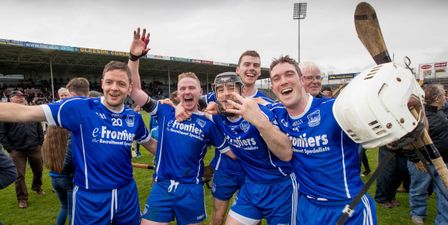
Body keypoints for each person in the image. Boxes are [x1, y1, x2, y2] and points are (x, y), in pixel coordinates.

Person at [0, 61, 153, 225]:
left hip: (127, 195)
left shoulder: (134, 118)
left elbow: (153, 145)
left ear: (129, 88)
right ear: (102, 84)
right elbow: (25, 113)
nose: (114, 88)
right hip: (91, 198)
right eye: (109, 82)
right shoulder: (80, 107)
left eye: (121, 83)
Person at [128, 28, 232, 225]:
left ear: (200, 91)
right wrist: (134, 58)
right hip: (162, 186)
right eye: (183, 88)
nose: (187, 91)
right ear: (177, 93)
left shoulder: (208, 122)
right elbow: (133, 91)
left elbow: (230, 151)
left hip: (191, 190)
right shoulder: (165, 111)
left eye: (192, 87)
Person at [267, 55, 377, 225]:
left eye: (289, 74)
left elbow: (377, 115)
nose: (283, 81)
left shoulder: (335, 109)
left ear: (300, 80)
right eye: (276, 78)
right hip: (307, 208)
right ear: (273, 88)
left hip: (348, 208)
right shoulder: (278, 113)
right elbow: (253, 102)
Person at [207, 72, 297, 225]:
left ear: (242, 91)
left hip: (281, 187)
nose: (226, 93)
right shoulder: (218, 116)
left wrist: (260, 121)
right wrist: (178, 106)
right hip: (251, 185)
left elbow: (287, 153)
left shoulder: (262, 111)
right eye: (220, 90)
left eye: (231, 88)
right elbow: (195, 105)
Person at [203, 50, 273, 225]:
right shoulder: (218, 95)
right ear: (238, 70)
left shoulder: (266, 103)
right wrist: (180, 104)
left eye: (256, 65)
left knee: (251, 218)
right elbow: (193, 99)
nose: (251, 69)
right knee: (218, 216)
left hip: (252, 173)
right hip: (225, 169)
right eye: (247, 64)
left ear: (259, 71)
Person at [406, 84, 448, 225]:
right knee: (419, 189)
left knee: (445, 192)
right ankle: (417, 213)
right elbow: (407, 141)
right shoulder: (418, 117)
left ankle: (443, 220)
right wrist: (416, 159)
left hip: (443, 162)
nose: (445, 97)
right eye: (444, 94)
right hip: (423, 162)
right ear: (437, 98)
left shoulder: (440, 111)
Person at [0, 90, 45, 209]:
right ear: (10, 99)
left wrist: (40, 142)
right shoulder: (6, 114)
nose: (20, 99)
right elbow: (2, 133)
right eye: (17, 97)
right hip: (17, 150)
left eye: (22, 97)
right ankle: (22, 199)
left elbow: (38, 127)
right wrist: (10, 148)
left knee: (39, 170)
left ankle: (37, 187)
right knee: (19, 175)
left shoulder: (30, 111)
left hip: (34, 147)